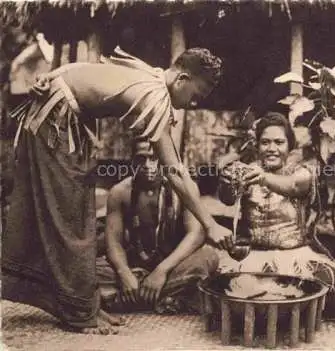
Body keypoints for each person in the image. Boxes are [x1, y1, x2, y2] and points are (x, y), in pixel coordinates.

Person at [2, 47, 233, 334]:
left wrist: (52, 77)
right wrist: (210, 223)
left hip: (67, 120)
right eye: (195, 96)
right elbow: (174, 170)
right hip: (55, 122)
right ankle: (78, 311)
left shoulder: (151, 78)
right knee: (69, 221)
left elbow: (90, 71)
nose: (194, 105)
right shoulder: (155, 94)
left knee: (80, 217)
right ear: (182, 78)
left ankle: (85, 305)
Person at [218, 112, 335, 309]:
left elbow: (293, 186)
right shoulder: (248, 170)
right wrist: (226, 182)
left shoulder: (303, 173)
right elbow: (227, 199)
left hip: (295, 257)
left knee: (324, 284)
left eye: (279, 142)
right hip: (253, 257)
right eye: (265, 142)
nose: (272, 149)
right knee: (225, 285)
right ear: (257, 146)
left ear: (289, 146)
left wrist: (262, 178)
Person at [97, 139, 218, 314]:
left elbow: (196, 235)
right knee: (89, 269)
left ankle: (131, 298)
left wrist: (161, 271)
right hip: (134, 267)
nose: (148, 165)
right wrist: (124, 273)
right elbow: (113, 242)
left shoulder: (185, 188)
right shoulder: (120, 192)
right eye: (141, 159)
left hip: (172, 267)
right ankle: (164, 299)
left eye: (155, 158)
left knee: (207, 258)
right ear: (132, 160)